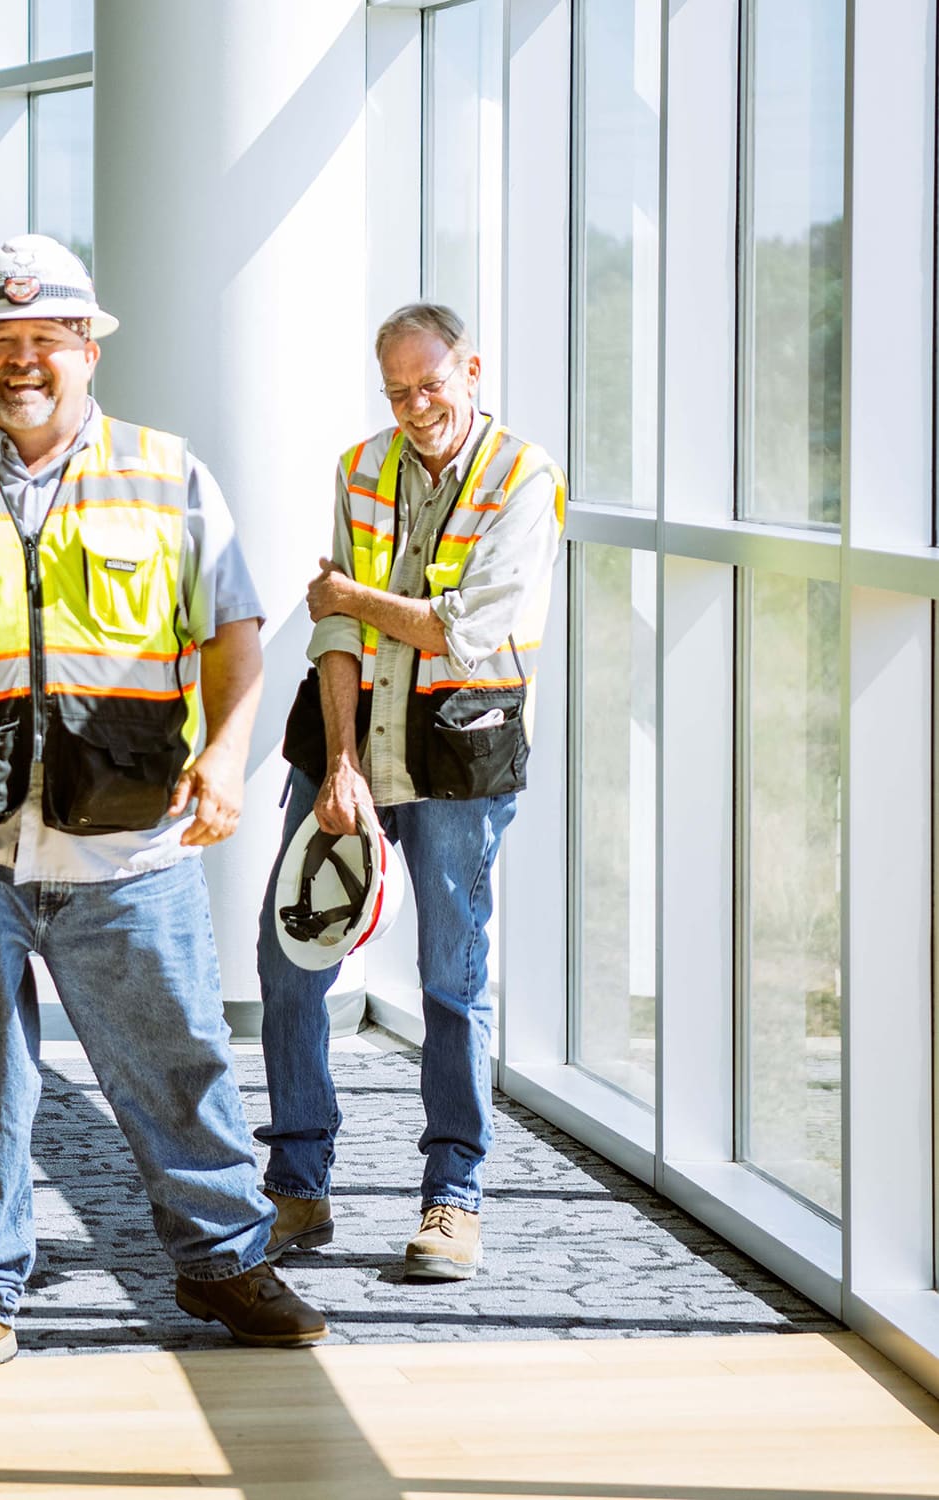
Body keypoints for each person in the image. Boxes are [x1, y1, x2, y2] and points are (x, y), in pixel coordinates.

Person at [0, 234, 326, 1384]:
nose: (21, 361)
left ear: (89, 349)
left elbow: (235, 626)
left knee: (179, 1062)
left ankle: (222, 1260)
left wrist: (228, 752)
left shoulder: (165, 473)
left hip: (130, 849)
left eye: (44, 340)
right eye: (0, 341)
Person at [256, 302, 565, 1281]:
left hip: (457, 757)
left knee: (451, 982)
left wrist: (352, 597)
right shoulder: (360, 467)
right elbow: (337, 635)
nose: (415, 406)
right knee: (290, 960)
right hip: (351, 740)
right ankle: (298, 1186)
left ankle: (452, 1198)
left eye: (431, 384)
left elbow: (468, 631)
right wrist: (339, 762)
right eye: (397, 391)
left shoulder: (525, 477)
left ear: (471, 369)